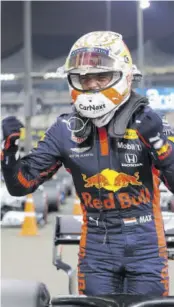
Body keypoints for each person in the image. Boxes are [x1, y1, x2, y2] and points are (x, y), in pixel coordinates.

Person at [1, 31, 174, 296]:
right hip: (96, 245)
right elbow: (20, 185)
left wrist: (161, 147)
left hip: (147, 245)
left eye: (100, 76)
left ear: (124, 76)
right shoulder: (64, 129)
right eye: (83, 77)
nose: (91, 84)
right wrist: (9, 154)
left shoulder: (151, 124)